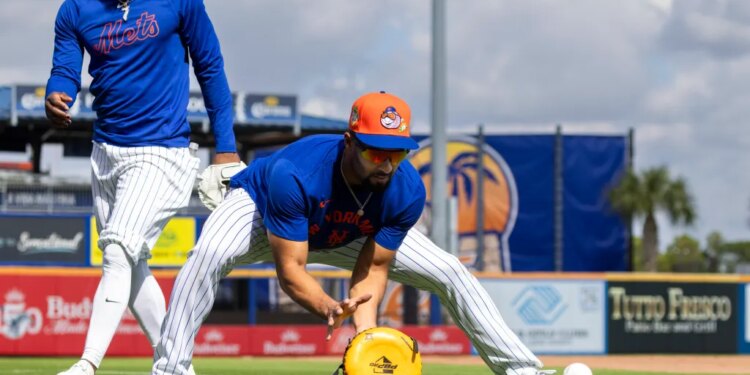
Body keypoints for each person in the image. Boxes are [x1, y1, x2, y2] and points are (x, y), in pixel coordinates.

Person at [152, 91, 553, 375]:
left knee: (450, 271)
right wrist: (327, 306)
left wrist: (365, 338)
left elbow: (373, 269)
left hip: (351, 230)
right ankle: (170, 370)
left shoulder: (406, 190)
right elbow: (291, 269)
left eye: (396, 153)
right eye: (375, 151)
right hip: (263, 212)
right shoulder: (295, 175)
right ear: (349, 141)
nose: (386, 163)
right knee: (208, 254)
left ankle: (524, 371)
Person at [44, 1, 241, 374]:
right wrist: (55, 92)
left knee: (118, 250)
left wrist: (226, 147)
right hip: (105, 152)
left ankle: (87, 364)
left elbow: (210, 67)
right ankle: (176, 367)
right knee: (132, 265)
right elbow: (65, 69)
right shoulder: (75, 8)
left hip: (162, 151)